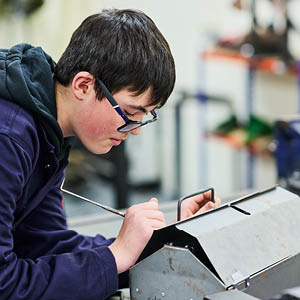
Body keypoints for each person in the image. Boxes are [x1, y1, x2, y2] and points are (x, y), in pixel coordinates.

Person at [0, 8, 220, 300]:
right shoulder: (9, 137)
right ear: (83, 85)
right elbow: (5, 283)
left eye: (145, 117)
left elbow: (43, 244)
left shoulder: (48, 129)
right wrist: (116, 255)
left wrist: (169, 244)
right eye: (130, 112)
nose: (136, 129)